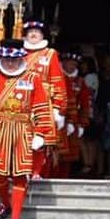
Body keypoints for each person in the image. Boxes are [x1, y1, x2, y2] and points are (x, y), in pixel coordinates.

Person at [0, 41, 56, 219]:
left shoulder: (33, 78)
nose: (10, 63)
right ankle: (5, 202)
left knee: (20, 173)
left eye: (14, 59)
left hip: (23, 129)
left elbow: (41, 107)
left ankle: (15, 218)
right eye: (7, 59)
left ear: (21, 59)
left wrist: (41, 133)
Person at [22, 20, 67, 178]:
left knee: (44, 139)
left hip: (45, 101)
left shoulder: (50, 54)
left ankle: (37, 172)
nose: (33, 35)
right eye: (30, 32)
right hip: (23, 100)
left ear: (42, 35)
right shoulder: (19, 53)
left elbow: (58, 80)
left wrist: (58, 108)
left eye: (37, 32)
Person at [56, 49, 91, 178]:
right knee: (54, 153)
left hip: (73, 122)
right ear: (63, 63)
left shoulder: (80, 82)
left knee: (69, 155)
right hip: (56, 118)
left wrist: (82, 124)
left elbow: (85, 104)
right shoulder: (56, 77)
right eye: (70, 63)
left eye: (75, 65)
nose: (72, 67)